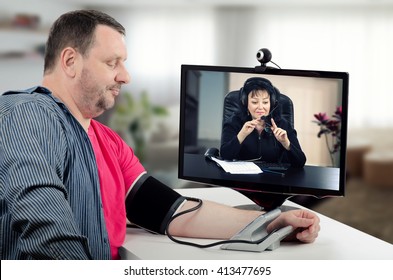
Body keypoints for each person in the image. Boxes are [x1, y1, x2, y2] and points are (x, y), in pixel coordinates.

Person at [0, 10, 319, 260]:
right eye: (113, 62)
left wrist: (273, 224)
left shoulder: (107, 140)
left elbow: (172, 210)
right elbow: (46, 229)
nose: (125, 76)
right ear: (70, 61)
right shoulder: (27, 114)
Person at [220, 77, 307, 167]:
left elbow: (300, 161)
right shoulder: (234, 122)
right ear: (245, 103)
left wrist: (286, 143)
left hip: (273, 177)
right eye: (254, 102)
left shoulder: (282, 124)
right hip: (241, 177)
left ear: (272, 103)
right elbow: (225, 155)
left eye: (265, 102)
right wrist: (241, 135)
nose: (260, 107)